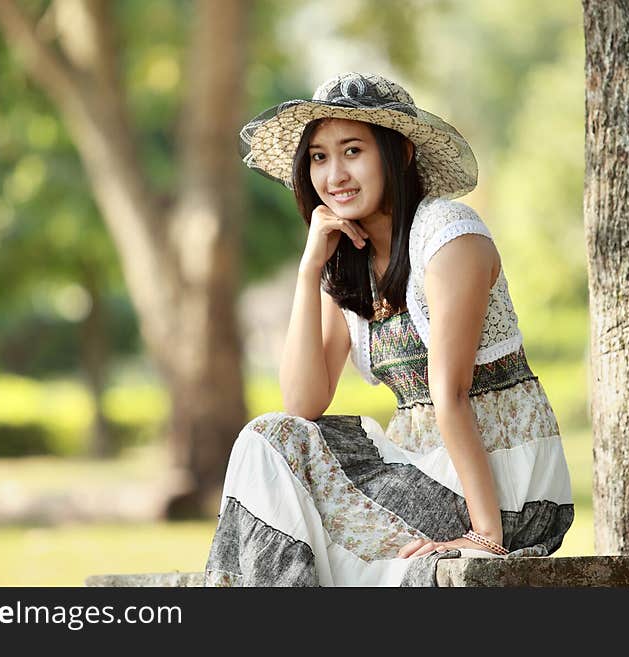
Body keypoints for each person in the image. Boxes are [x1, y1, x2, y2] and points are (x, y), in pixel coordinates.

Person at [203, 72, 574, 586]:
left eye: (352, 150)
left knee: (307, 527)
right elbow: (302, 404)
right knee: (267, 441)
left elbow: (452, 392)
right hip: (416, 470)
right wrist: (310, 270)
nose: (334, 175)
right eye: (318, 157)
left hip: (503, 482)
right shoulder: (347, 263)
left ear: (398, 154)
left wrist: (486, 537)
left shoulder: (449, 237)